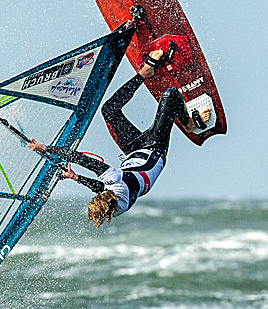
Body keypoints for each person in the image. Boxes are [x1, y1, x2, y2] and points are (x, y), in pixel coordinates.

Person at [27, 48, 210, 226]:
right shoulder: (115, 179)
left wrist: (77, 178)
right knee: (170, 95)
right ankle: (189, 123)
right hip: (155, 150)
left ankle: (145, 72)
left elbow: (101, 188)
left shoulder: (117, 208)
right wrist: (45, 148)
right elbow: (81, 159)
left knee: (109, 110)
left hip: (133, 151)